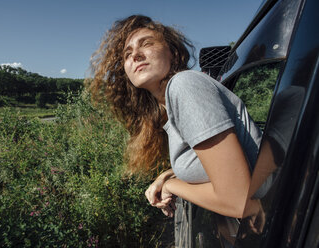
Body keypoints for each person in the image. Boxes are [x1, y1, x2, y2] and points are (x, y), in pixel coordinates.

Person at [89, 15, 263, 219]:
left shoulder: (183, 85)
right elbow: (210, 162)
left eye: (146, 44)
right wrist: (169, 174)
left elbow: (240, 201)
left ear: (173, 52)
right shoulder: (173, 108)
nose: (135, 55)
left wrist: (173, 186)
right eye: (127, 54)